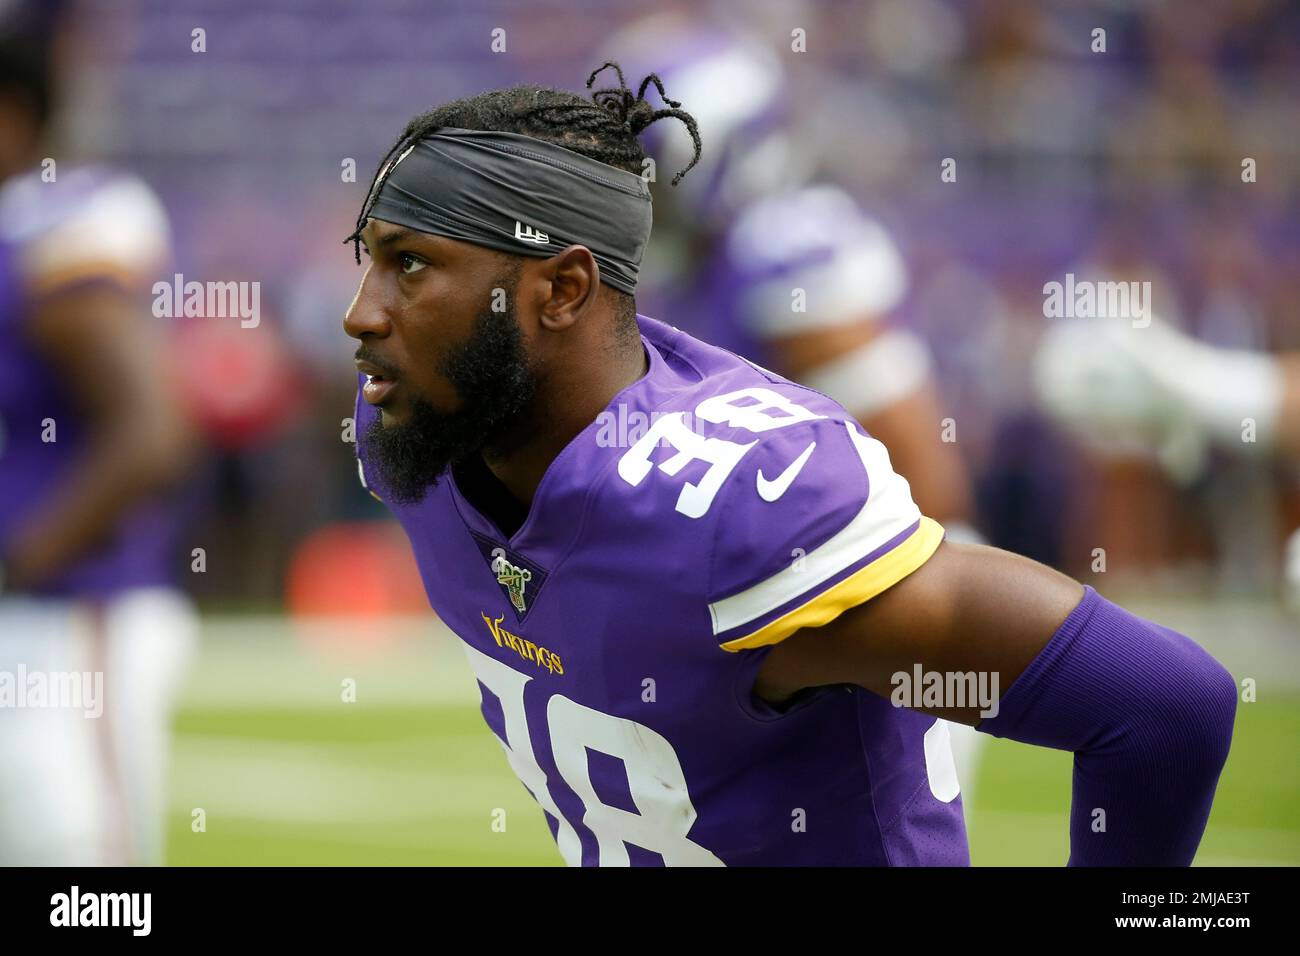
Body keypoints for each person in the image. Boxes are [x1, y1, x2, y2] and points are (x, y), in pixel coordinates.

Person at [342, 68, 1236, 866]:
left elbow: (1166, 707)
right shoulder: (419, 429)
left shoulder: (738, 513)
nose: (360, 314)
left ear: (564, 290)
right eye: (369, 260)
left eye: (410, 265)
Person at [0, 16, 197, 865]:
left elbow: (151, 430)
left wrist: (25, 556)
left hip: (67, 617)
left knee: (85, 874)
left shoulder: (49, 230)